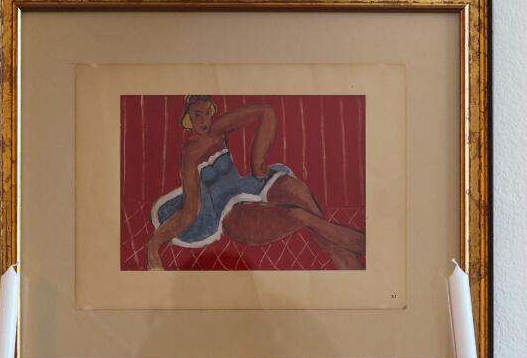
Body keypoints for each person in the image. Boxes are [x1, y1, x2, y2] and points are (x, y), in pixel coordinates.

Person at [147, 95, 365, 270]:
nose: (203, 120)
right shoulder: (190, 153)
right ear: (188, 119)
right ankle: (373, 250)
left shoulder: (217, 128)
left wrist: (257, 161)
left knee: (301, 195)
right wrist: (155, 245)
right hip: (230, 209)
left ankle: (360, 272)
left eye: (207, 113)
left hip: (252, 185)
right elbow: (190, 210)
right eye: (197, 115)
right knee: (302, 216)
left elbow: (265, 112)